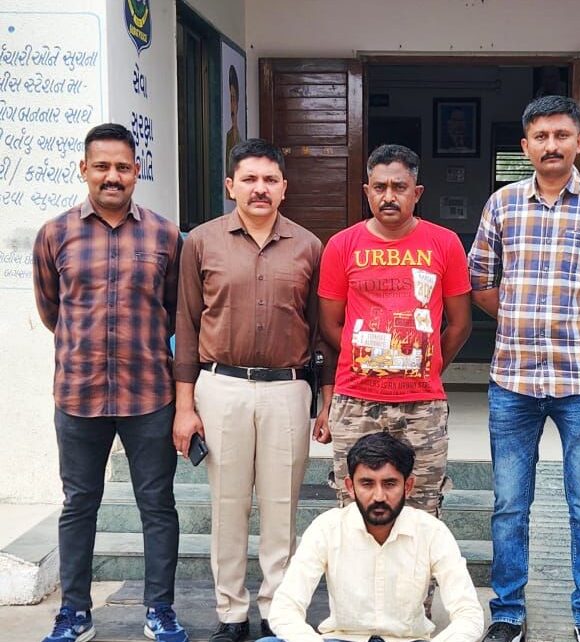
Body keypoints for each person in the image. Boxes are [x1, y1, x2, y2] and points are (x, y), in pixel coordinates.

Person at [468, 95, 580, 642]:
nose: (552, 145)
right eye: (541, 137)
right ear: (525, 146)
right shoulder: (502, 203)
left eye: (562, 135)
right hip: (513, 382)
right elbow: (480, 281)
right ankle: (507, 611)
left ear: (579, 142)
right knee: (509, 505)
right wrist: (519, 317)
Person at [173, 138, 334, 642]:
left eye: (269, 180)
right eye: (249, 179)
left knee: (282, 506)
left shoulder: (309, 246)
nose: (259, 188)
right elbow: (186, 323)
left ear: (284, 187)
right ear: (230, 186)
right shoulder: (201, 242)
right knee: (228, 505)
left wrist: (326, 398)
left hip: (288, 389)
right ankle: (231, 613)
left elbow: (321, 331)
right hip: (221, 387)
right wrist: (184, 407)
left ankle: (277, 612)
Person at [32, 123, 187, 642]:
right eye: (101, 166)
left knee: (157, 505)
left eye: (122, 166)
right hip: (79, 393)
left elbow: (174, 310)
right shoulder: (54, 234)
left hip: (150, 395)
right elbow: (52, 310)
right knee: (79, 504)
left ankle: (160, 609)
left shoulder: (166, 235)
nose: (112, 176)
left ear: (137, 171)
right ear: (84, 169)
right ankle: (74, 612)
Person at [318, 144, 472, 517]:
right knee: (354, 510)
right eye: (380, 187)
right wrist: (370, 358)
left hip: (422, 404)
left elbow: (460, 324)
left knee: (422, 509)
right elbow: (330, 324)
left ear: (416, 193)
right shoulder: (342, 246)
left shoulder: (445, 243)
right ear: (367, 191)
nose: (389, 196)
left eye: (399, 187)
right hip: (356, 401)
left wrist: (426, 363)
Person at [257, 431, 485, 642]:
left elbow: (469, 615)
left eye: (389, 484)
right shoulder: (327, 528)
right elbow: (284, 609)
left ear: (407, 486)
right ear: (350, 486)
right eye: (367, 484)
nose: (379, 496)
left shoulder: (431, 532)